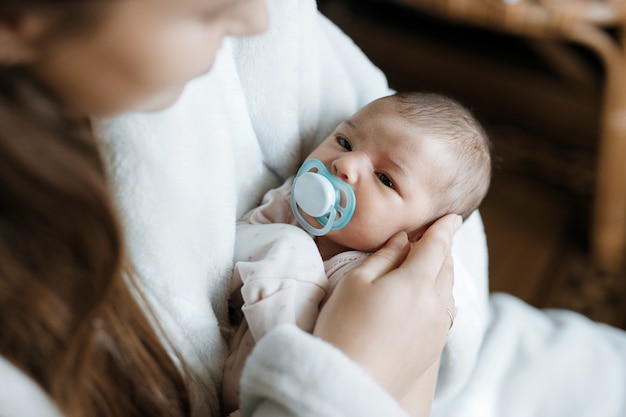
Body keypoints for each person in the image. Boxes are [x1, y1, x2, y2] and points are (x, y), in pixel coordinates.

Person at [3, 1, 624, 417]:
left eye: (383, 179)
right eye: (343, 143)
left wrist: (423, 346)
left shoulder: (371, 262)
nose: (254, 17)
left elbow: (442, 204)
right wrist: (352, 381)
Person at [222, 91, 492, 417]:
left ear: (420, 234)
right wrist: (286, 247)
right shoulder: (288, 208)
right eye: (345, 142)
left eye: (384, 178)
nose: (344, 164)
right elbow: (228, 247)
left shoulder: (380, 283)